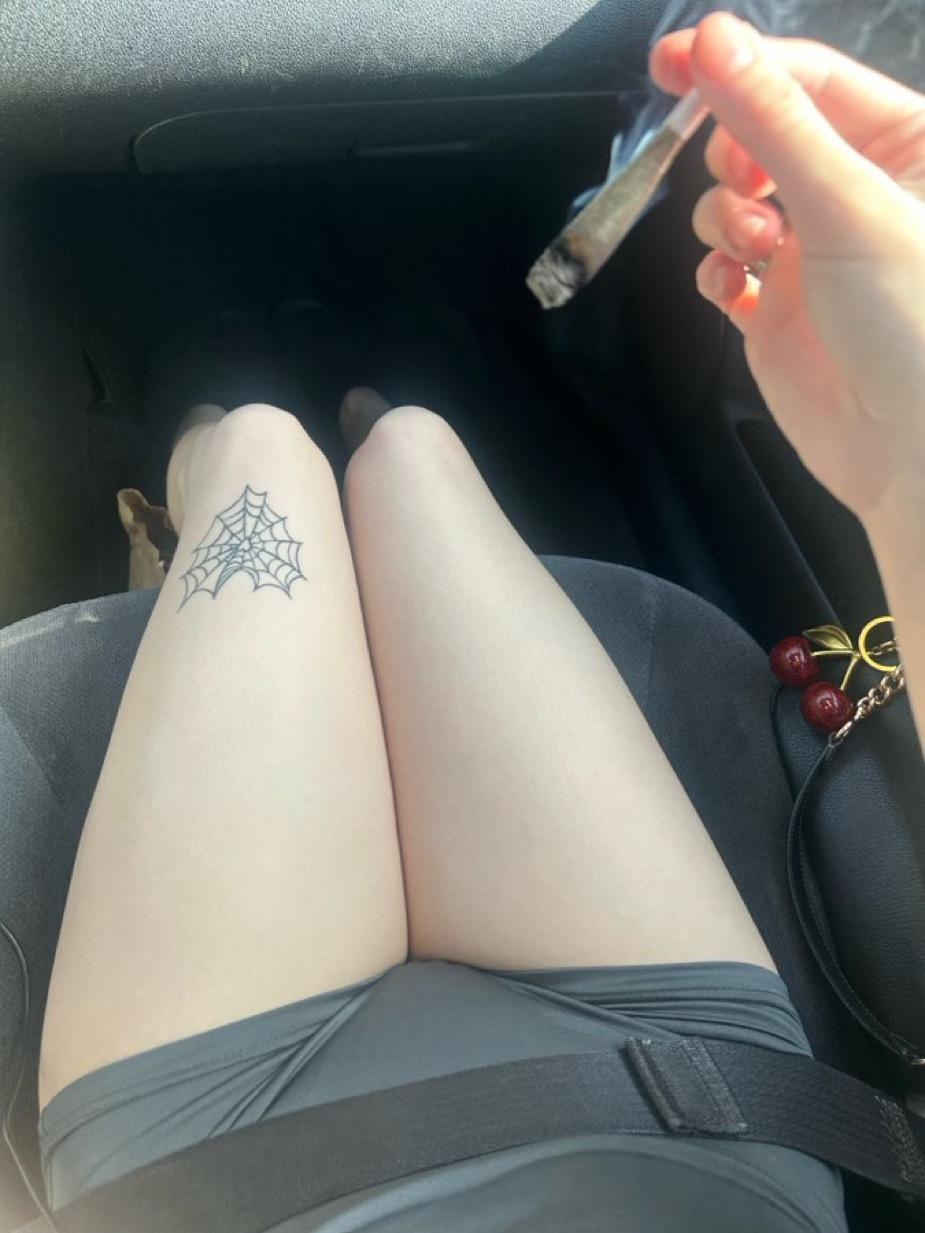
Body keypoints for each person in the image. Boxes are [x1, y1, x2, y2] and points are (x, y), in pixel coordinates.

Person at [35, 12, 924, 1232]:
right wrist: (905, 449)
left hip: (230, 1157)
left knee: (258, 452)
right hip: (687, 1110)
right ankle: (368, 416)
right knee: (415, 447)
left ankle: (201, 438)